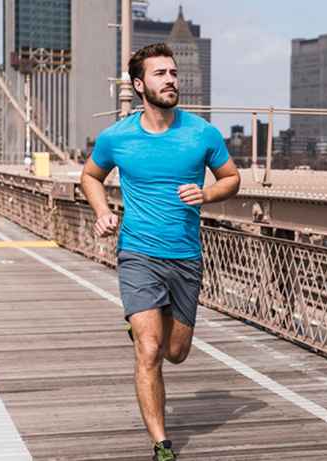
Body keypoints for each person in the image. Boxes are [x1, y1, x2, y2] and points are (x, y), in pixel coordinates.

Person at [80, 43, 240, 461]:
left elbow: (232, 179)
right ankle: (162, 444)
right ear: (139, 85)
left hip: (185, 255)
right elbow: (90, 176)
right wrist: (102, 210)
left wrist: (207, 193)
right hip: (138, 252)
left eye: (173, 73)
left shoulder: (201, 132)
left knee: (176, 352)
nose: (170, 80)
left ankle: (144, 327)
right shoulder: (117, 136)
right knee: (149, 350)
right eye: (160, 74)